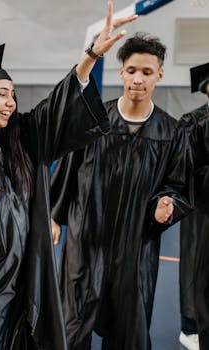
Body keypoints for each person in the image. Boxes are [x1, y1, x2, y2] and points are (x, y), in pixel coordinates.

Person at [0, 3, 137, 349]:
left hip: (29, 280)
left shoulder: (21, 143)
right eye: (2, 94)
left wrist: (91, 56)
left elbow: (56, 107)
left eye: (13, 95)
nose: (11, 103)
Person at [50, 33, 192, 349]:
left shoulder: (172, 133)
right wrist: (54, 215)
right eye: (131, 70)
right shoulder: (93, 123)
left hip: (136, 249)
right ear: (121, 72)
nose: (138, 79)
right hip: (85, 243)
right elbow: (66, 171)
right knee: (72, 330)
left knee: (130, 334)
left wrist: (166, 205)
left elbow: (179, 187)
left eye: (146, 72)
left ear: (160, 75)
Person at [178, 61, 209, 350]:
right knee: (196, 266)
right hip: (202, 207)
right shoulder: (192, 122)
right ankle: (192, 326)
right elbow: (186, 168)